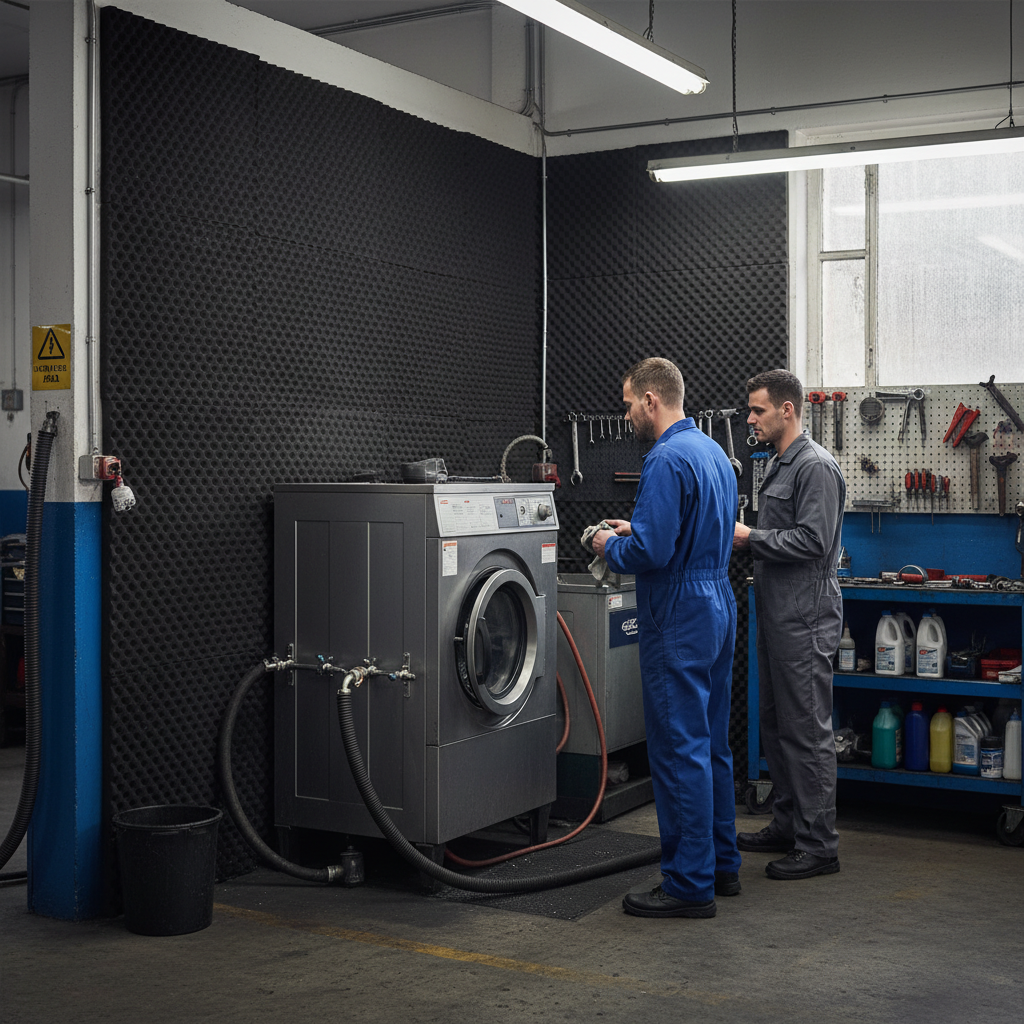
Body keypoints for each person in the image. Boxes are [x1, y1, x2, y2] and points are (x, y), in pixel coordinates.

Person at [591, 358, 742, 919]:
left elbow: (652, 554)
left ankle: (687, 884)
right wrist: (645, 530)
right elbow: (698, 529)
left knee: (679, 749)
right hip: (717, 600)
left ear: (652, 401)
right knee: (711, 744)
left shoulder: (662, 459)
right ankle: (722, 866)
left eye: (630, 403)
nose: (627, 413)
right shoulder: (711, 454)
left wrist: (610, 544)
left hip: (676, 609)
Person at [733, 369, 846, 880]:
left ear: (787, 410)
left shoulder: (814, 467)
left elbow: (814, 541)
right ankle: (787, 825)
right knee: (777, 726)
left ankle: (819, 845)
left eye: (757, 410)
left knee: (807, 732)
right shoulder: (779, 464)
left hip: (805, 616)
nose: (750, 419)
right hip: (778, 614)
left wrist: (749, 537)